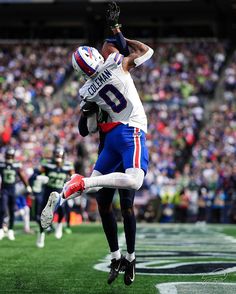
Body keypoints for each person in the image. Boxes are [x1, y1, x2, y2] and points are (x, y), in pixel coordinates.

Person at [41, 0, 153, 283]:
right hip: (127, 134)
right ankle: (119, 257)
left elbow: (86, 129)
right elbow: (141, 52)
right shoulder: (115, 63)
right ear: (96, 57)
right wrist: (118, 33)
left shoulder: (86, 90)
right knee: (124, 190)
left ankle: (128, 257)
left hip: (111, 139)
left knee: (116, 201)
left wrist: (88, 107)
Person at [36, 146, 74, 248]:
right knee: (43, 214)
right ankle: (41, 234)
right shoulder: (48, 164)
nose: (58, 158)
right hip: (48, 192)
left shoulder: (67, 166)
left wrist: (70, 186)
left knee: (62, 211)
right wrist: (40, 177)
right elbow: (37, 173)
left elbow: (73, 177)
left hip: (60, 192)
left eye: (59, 156)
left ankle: (59, 226)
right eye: (56, 155)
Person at [0, 147, 32, 240]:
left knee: (11, 211)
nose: (9, 157)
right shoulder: (2, 164)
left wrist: (27, 186)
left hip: (12, 190)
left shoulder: (16, 165)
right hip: (4, 190)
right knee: (2, 209)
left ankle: (10, 230)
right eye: (8, 155)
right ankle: (1, 229)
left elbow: (22, 176)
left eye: (11, 155)